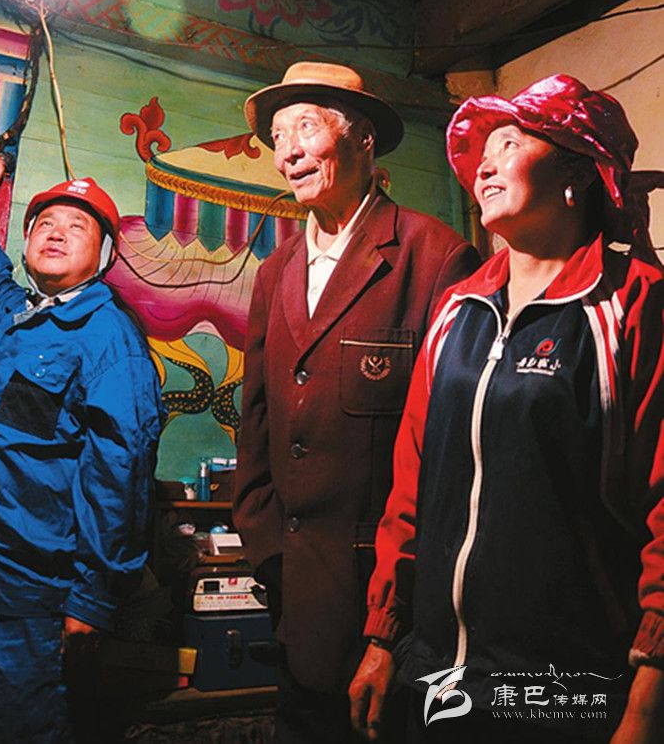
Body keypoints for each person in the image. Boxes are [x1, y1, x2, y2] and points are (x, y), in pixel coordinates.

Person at [350, 74, 664, 744]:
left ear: (577, 172)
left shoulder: (634, 305)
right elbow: (412, 486)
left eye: (511, 144)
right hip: (438, 678)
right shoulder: (457, 308)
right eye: (482, 153)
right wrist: (383, 634)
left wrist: (648, 695)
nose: (484, 166)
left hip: (571, 689)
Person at [233, 61, 480, 743]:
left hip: (395, 612)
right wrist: (265, 548)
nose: (287, 152)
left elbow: (454, 455)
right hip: (294, 599)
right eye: (278, 136)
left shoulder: (436, 257)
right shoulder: (275, 271)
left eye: (305, 129)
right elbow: (255, 420)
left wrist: (397, 611)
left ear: (363, 138)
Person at [0, 156, 165, 743]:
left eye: (77, 227)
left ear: (104, 256)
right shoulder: (12, 317)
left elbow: (120, 476)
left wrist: (94, 600)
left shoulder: (110, 340)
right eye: (45, 223)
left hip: (24, 603)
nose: (56, 233)